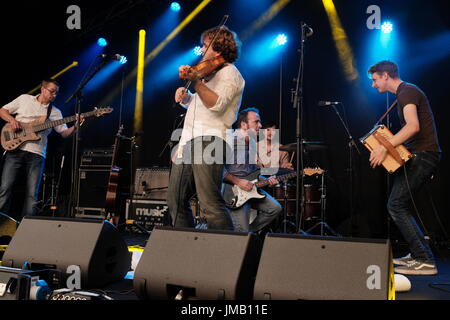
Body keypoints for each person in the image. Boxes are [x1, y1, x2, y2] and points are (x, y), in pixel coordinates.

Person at [368, 60, 441, 275]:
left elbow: (413, 126)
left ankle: (424, 260)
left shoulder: (407, 91)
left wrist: (384, 148)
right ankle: (419, 254)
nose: (373, 85)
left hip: (425, 155)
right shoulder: (405, 93)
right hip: (421, 154)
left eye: (374, 80)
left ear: (385, 76)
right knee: (399, 205)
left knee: (396, 205)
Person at [168, 26, 245, 230]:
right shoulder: (208, 74)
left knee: (210, 203)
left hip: (211, 140)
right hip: (189, 141)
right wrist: (187, 98)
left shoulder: (230, 73)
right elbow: (200, 104)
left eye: (205, 45)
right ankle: (186, 249)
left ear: (218, 50)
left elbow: (217, 106)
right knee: (175, 200)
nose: (201, 50)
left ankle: (226, 254)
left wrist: (196, 83)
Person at [0, 79, 81, 218]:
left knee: (32, 195)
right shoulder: (24, 99)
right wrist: (12, 120)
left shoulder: (55, 112)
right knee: (5, 189)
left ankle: (28, 230)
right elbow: (3, 110)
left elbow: (64, 133)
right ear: (43, 89)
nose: (54, 95)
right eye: (52, 91)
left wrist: (76, 126)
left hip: (37, 154)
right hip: (15, 149)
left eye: (56, 93)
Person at [223, 108, 282, 233]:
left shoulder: (253, 143)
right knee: (241, 232)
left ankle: (249, 233)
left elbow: (253, 172)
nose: (260, 125)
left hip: (251, 189)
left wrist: (265, 180)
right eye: (256, 122)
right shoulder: (229, 140)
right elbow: (218, 170)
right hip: (234, 192)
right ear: (244, 124)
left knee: (275, 208)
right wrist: (238, 182)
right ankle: (244, 234)